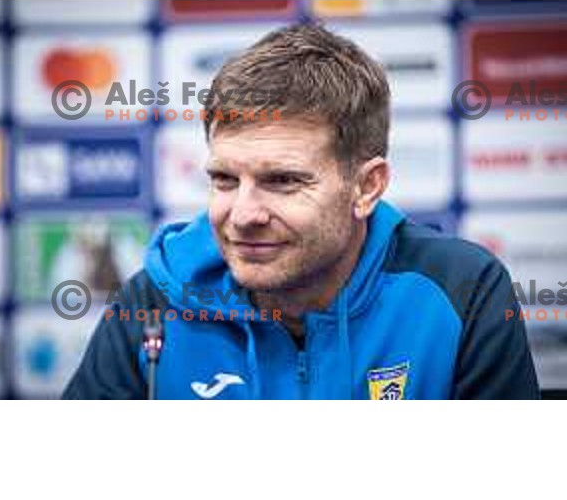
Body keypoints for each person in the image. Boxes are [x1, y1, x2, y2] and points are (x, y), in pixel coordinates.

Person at [63, 23, 539, 400]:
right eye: (225, 179)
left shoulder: (462, 291)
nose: (243, 214)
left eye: (283, 181)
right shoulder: (154, 299)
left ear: (367, 186)